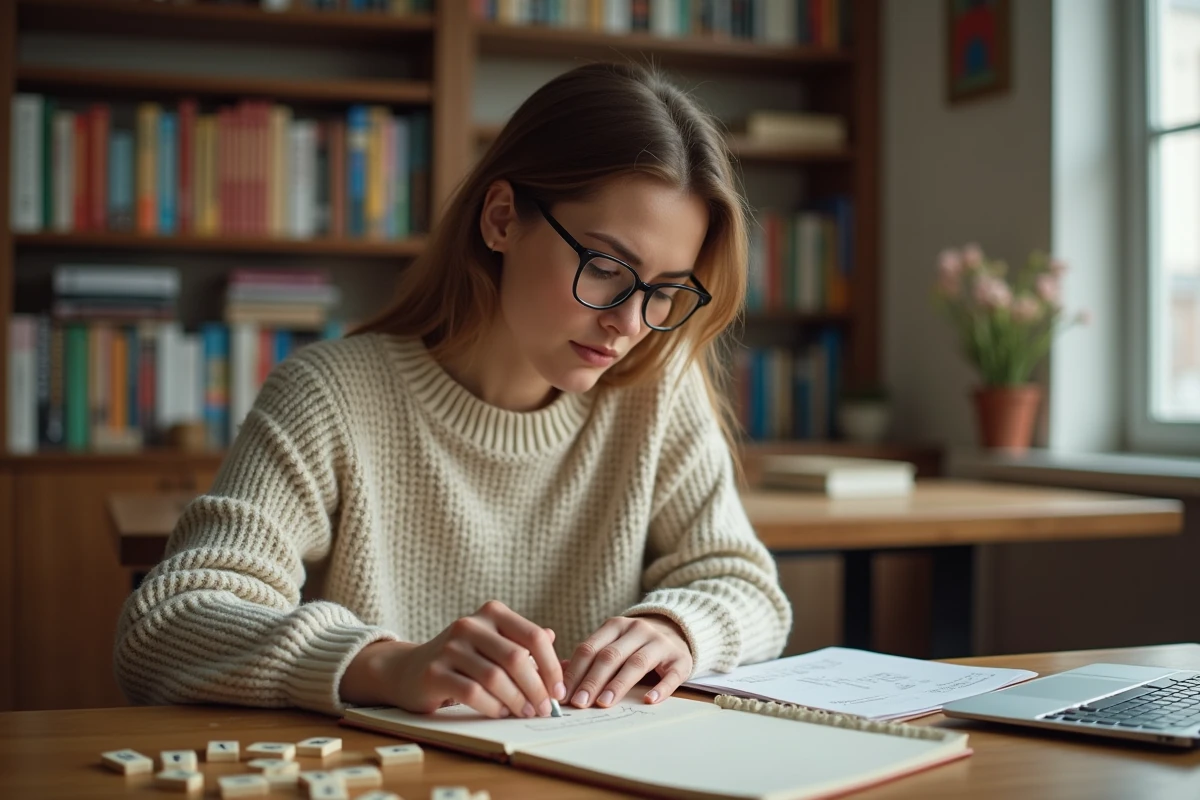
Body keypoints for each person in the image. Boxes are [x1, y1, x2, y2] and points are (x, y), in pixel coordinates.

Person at [114, 62, 792, 721]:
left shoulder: (655, 391)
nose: (629, 321)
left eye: (665, 291)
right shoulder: (332, 398)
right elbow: (167, 622)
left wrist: (677, 627)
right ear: (501, 218)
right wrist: (384, 665)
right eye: (608, 267)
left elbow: (746, 587)